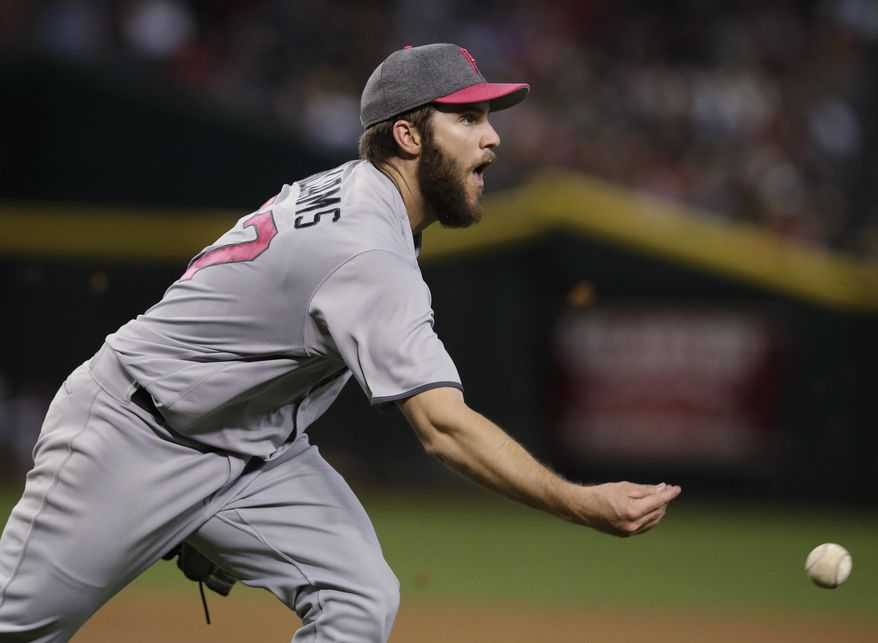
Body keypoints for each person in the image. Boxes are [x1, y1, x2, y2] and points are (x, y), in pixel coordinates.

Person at [0, 43, 681, 642]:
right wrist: (580, 502)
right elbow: (444, 429)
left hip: (249, 446)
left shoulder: (358, 193)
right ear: (409, 136)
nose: (492, 137)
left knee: (358, 598)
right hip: (133, 436)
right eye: (469, 118)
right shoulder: (366, 249)